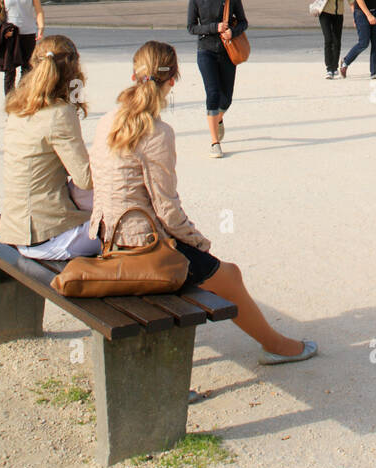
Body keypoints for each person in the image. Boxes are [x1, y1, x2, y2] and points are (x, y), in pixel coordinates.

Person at [90, 41, 316, 364]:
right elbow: (167, 210)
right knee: (230, 276)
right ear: (173, 81)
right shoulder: (157, 132)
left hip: (107, 238)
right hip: (143, 246)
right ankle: (276, 346)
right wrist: (199, 243)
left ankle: (273, 344)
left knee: (221, 274)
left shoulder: (106, 121)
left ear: (133, 75)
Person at [0, 35, 101, 261]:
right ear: (74, 69)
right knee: (131, 227)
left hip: (17, 229)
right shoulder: (60, 113)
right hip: (49, 237)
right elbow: (86, 179)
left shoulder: (18, 108)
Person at [187, 0, 248, 157]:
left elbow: (243, 22)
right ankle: (215, 141)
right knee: (212, 93)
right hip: (206, 50)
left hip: (227, 51)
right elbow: (191, 27)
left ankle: (217, 118)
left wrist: (233, 31)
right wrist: (214, 27)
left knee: (226, 98)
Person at [310, 0, 354, 78]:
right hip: (325, 12)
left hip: (338, 13)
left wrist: (354, 12)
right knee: (328, 39)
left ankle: (335, 67)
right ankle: (329, 68)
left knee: (337, 41)